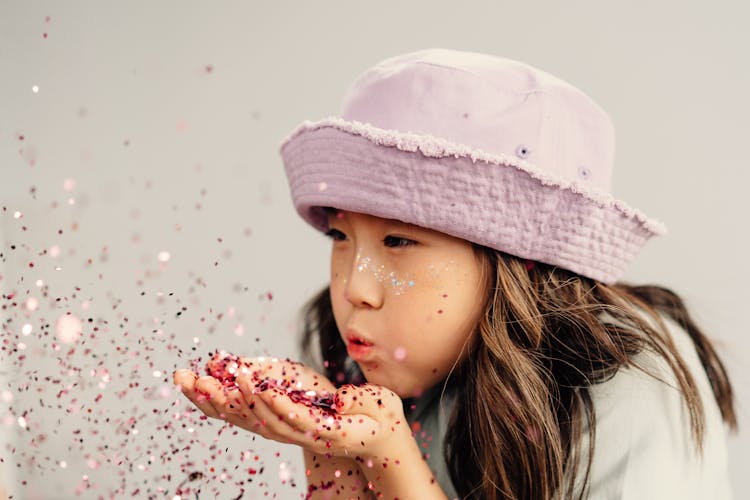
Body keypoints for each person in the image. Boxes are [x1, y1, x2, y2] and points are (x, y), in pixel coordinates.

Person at [174, 48, 738, 499]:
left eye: (399, 240)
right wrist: (331, 455)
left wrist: (389, 455)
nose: (353, 289)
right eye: (340, 237)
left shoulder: (629, 388)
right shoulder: (361, 353)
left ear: (516, 264)